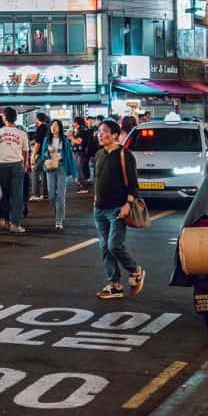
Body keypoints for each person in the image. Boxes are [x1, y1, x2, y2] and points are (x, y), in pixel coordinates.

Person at [93, 119, 146, 300]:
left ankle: (135, 270)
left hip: (117, 208)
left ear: (115, 134)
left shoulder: (125, 154)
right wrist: (95, 199)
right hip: (99, 208)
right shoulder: (99, 154)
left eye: (104, 131)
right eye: (99, 131)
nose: (100, 135)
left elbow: (133, 184)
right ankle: (114, 285)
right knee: (104, 248)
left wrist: (127, 204)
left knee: (114, 245)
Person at [0, 106, 29, 234]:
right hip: (17, 164)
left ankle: (6, 220)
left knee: (5, 194)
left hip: (2, 165)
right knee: (17, 195)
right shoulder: (22, 133)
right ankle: (15, 224)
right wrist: (25, 165)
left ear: (5, 118)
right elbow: (25, 152)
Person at [42, 119, 78, 231]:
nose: (53, 127)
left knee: (61, 195)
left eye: (56, 125)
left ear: (60, 128)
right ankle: (58, 212)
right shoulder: (46, 140)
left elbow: (70, 157)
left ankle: (59, 220)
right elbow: (42, 155)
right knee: (51, 195)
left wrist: (75, 174)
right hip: (50, 167)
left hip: (61, 167)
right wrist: (48, 152)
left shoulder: (65, 141)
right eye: (52, 125)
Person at [28, 112, 50, 201]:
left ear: (38, 119)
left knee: (35, 172)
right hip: (48, 153)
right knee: (44, 173)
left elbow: (38, 143)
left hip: (42, 153)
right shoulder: (48, 127)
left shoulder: (41, 128)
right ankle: (45, 194)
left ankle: (36, 194)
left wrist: (33, 155)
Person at [69, 117, 92, 194]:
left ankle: (83, 186)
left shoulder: (81, 131)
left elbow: (79, 142)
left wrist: (71, 138)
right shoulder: (77, 130)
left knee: (80, 169)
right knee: (79, 168)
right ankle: (82, 184)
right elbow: (74, 142)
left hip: (80, 152)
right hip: (78, 151)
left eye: (74, 122)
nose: (73, 123)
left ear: (77, 123)